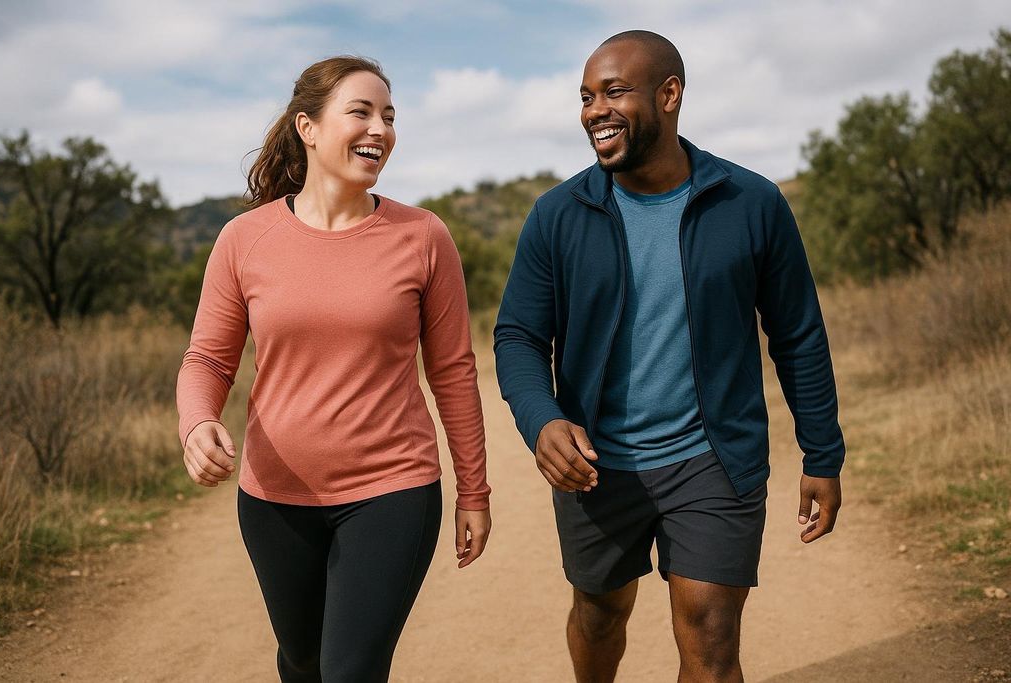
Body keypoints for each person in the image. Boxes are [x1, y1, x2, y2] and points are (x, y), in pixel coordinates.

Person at [494, 30, 844, 682]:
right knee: (600, 614)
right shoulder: (558, 215)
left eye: (614, 91)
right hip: (597, 463)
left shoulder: (751, 204)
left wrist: (823, 453)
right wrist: (542, 420)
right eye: (586, 96)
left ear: (670, 94)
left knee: (711, 637)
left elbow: (798, 332)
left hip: (713, 456)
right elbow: (517, 335)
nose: (593, 110)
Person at [175, 56, 491, 683]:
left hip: (393, 487)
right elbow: (208, 358)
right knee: (303, 661)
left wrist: (473, 492)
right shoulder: (245, 240)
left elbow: (453, 372)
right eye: (362, 111)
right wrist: (196, 423)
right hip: (272, 498)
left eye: (390, 116)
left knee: (350, 671)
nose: (381, 128)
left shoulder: (423, 236)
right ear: (308, 128)